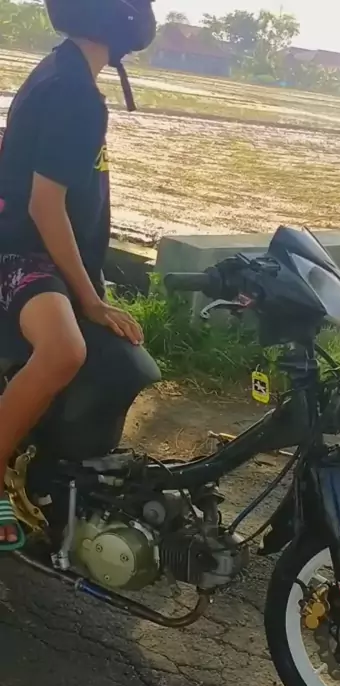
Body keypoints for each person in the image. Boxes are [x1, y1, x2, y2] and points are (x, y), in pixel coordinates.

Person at [0, 0, 156, 549]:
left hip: (39, 250)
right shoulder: (74, 93)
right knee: (65, 350)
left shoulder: (62, 70)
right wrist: (90, 299)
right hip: (20, 254)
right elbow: (46, 206)